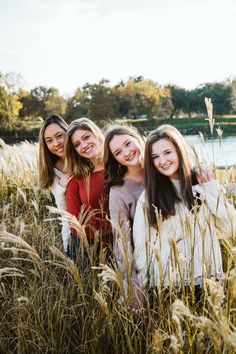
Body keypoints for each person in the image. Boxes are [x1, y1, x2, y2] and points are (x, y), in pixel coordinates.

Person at [133, 124, 236, 292]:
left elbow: (230, 227)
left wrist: (210, 188)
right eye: (155, 157)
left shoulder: (202, 184)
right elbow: (141, 248)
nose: (163, 161)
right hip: (169, 285)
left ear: (179, 151)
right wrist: (146, 287)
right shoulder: (148, 197)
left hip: (208, 280)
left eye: (167, 153)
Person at [104, 125, 145, 308]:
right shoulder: (118, 192)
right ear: (115, 159)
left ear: (137, 138)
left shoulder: (162, 171)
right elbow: (122, 242)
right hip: (146, 268)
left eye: (128, 143)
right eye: (118, 152)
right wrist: (133, 282)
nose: (127, 153)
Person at [64, 117, 111, 264]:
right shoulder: (76, 179)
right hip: (93, 249)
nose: (84, 145)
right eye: (77, 144)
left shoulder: (118, 165)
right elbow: (74, 225)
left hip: (129, 241)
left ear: (96, 134)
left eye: (86, 137)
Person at [38, 114, 72, 254]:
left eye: (59, 136)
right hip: (73, 233)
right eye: (49, 140)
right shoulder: (52, 172)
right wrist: (61, 188)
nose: (56, 143)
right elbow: (63, 211)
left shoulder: (85, 156)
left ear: (68, 133)